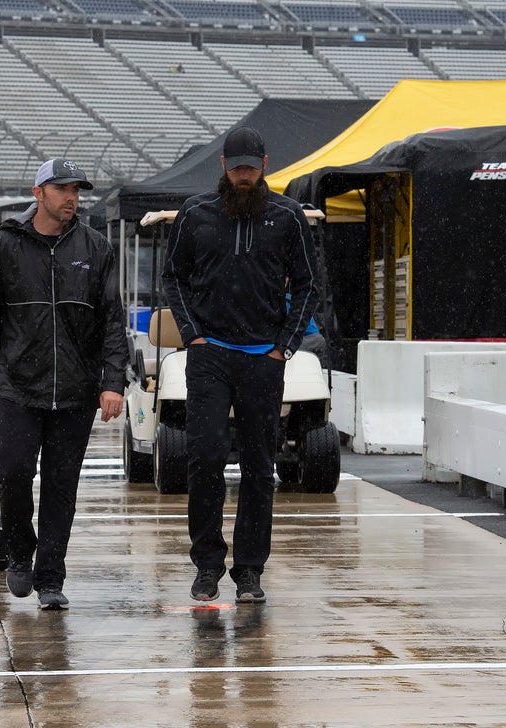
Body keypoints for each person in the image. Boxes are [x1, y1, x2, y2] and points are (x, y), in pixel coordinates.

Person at [161, 126, 320, 604]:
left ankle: (249, 570)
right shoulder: (196, 214)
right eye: (236, 169)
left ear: (265, 164)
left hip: (263, 361)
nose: (244, 176)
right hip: (209, 356)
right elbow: (174, 278)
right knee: (205, 457)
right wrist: (193, 336)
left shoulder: (287, 217)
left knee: (258, 465)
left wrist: (283, 347)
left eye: (250, 168)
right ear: (224, 167)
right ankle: (207, 565)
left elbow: (309, 286)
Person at [0, 158, 129, 610]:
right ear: (38, 192)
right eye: (62, 189)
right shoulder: (2, 245)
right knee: (14, 474)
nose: (71, 198)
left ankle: (50, 578)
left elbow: (111, 321)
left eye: (77, 190)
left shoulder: (96, 247)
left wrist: (113, 381)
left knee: (62, 486)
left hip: (77, 389)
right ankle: (20, 552)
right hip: (18, 385)